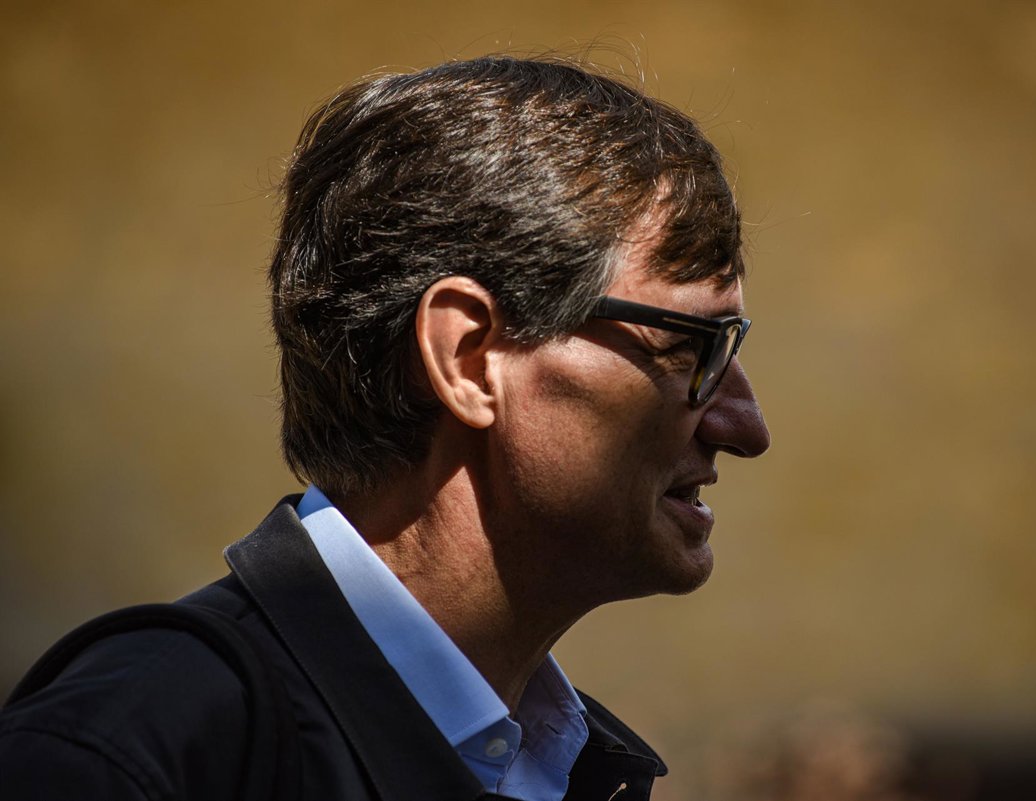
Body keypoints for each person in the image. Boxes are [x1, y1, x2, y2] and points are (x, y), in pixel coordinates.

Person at [0, 55, 769, 800]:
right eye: (689, 347)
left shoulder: (568, 769)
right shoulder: (141, 750)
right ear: (467, 356)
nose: (746, 426)